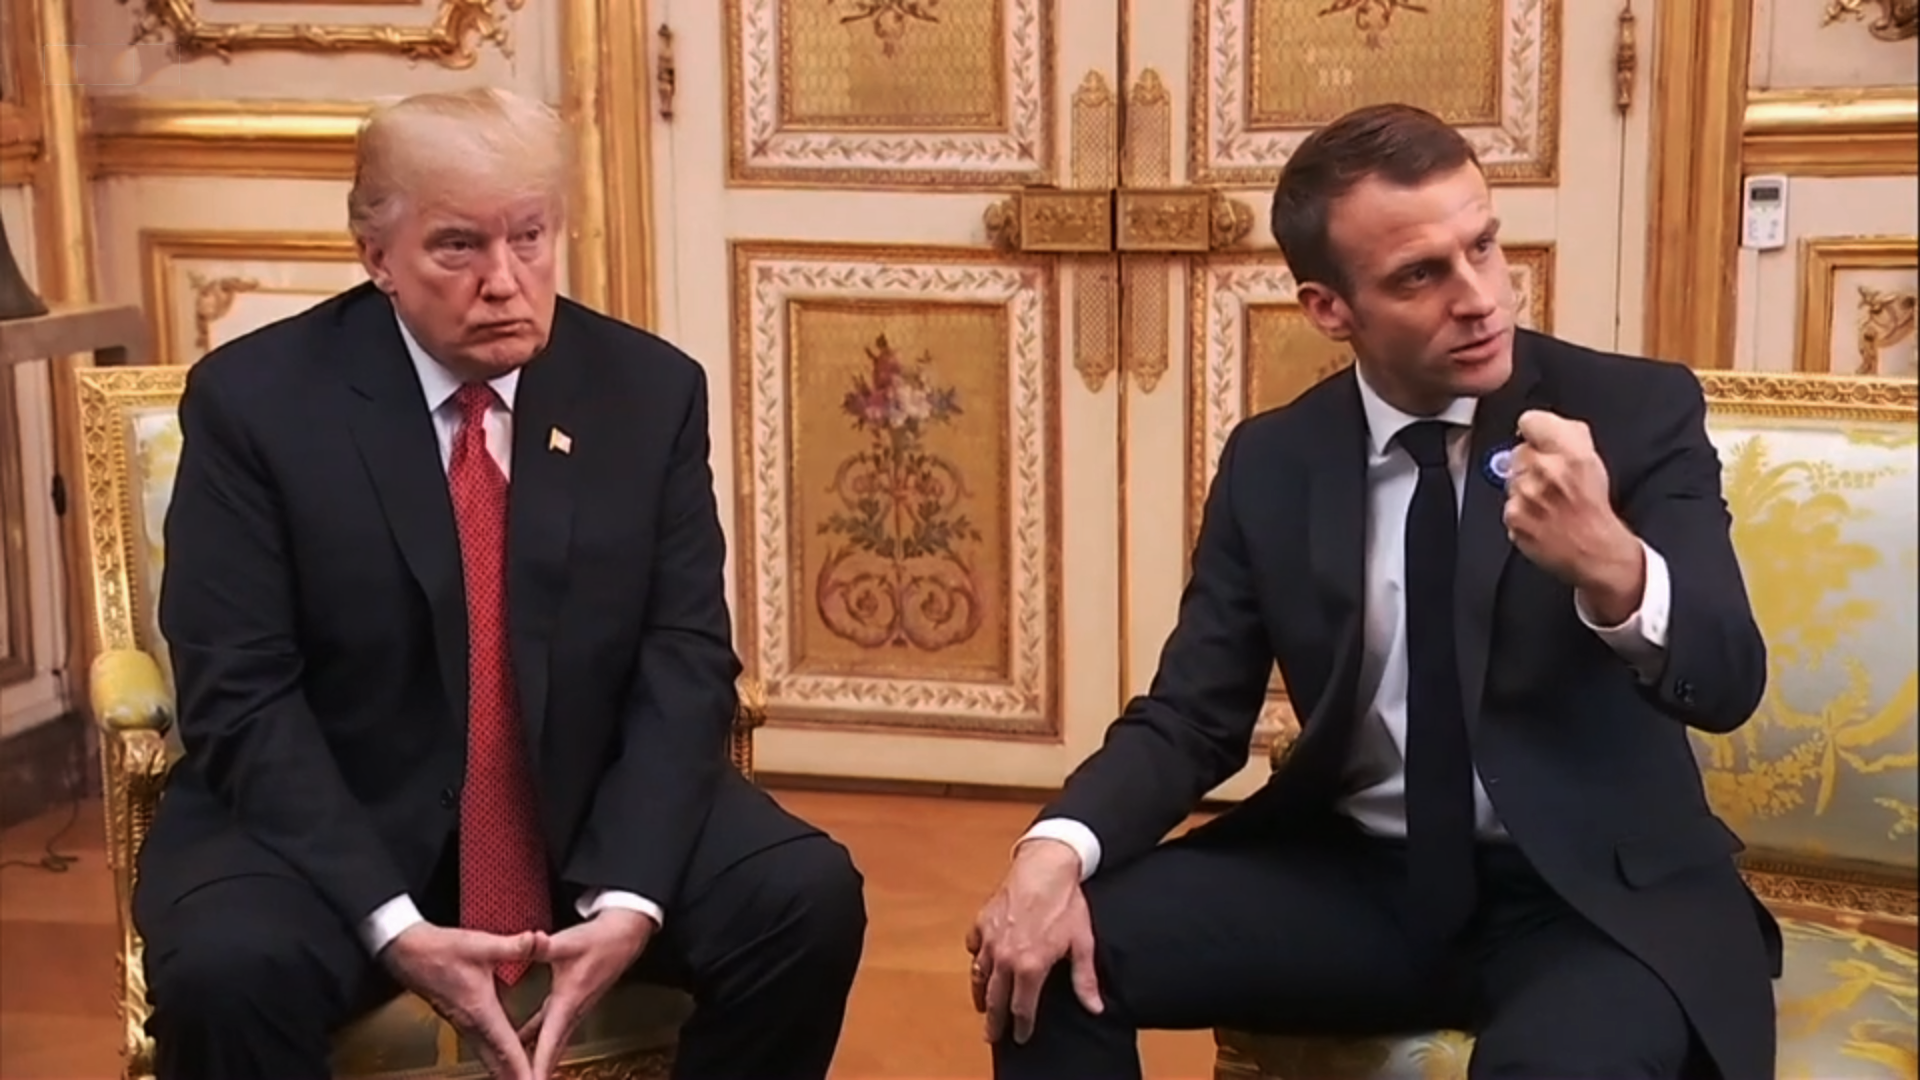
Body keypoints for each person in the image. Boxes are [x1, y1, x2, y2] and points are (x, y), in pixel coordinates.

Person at [966, 102, 1779, 1080]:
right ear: (1328, 308)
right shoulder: (1274, 462)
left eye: (1483, 245)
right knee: (1046, 959)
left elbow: (1728, 678)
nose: (1479, 297)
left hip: (1588, 901)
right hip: (1358, 884)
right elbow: (1191, 717)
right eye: (1420, 276)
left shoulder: (1633, 413)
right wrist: (1054, 850)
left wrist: (1611, 565)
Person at [134, 86, 866, 1080]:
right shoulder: (257, 404)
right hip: (340, 814)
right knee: (229, 970)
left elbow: (685, 655)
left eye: (530, 236)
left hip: (583, 806)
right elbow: (239, 693)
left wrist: (632, 897)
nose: (506, 282)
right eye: (458, 247)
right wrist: (392, 923)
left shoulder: (647, 392)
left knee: (804, 896)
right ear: (375, 253)